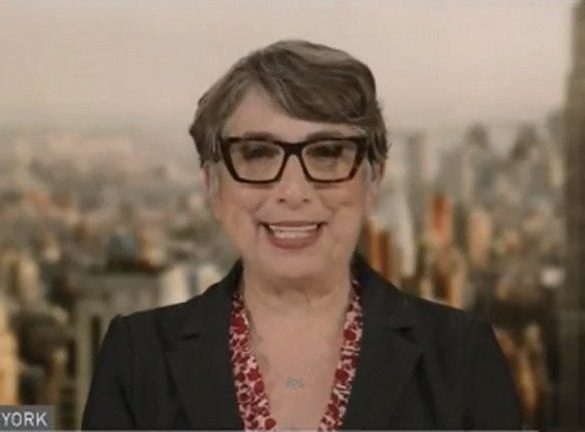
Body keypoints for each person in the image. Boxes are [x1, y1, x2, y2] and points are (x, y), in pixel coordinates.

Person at [82, 39, 521, 431]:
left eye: (327, 153)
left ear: (373, 180)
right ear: (212, 184)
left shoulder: (461, 357)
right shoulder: (136, 358)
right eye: (257, 153)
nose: (293, 191)